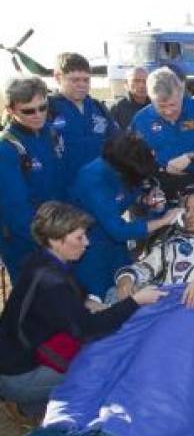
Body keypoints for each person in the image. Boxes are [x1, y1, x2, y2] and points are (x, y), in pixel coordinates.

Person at [0, 202, 165, 422]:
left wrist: (89, 302)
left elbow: (69, 299)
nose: (87, 243)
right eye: (79, 238)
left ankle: (33, 406)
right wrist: (135, 301)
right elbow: (88, 330)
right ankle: (28, 405)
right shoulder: (53, 281)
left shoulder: (41, 261)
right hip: (20, 376)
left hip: (13, 362)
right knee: (109, 371)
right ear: (55, 240)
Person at [70, 133, 180, 297]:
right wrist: (163, 221)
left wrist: (145, 199)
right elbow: (118, 231)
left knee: (127, 284)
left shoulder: (124, 165)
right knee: (99, 298)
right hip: (90, 247)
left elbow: (126, 192)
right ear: (122, 170)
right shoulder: (93, 181)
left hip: (116, 247)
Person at [1, 76, 68, 282]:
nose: (38, 115)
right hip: (25, 241)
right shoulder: (7, 148)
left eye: (43, 107)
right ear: (11, 110)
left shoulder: (51, 134)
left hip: (58, 232)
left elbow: (62, 182)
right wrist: (49, 242)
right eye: (28, 111)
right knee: (32, 300)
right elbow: (16, 211)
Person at [129, 67, 194, 202]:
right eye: (161, 106)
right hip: (157, 192)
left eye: (173, 104)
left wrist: (193, 156)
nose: (168, 111)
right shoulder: (141, 120)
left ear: (181, 93)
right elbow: (129, 159)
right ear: (151, 100)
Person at [48, 52, 119, 179]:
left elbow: (117, 143)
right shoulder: (46, 109)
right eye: (75, 80)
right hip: (63, 190)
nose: (82, 84)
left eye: (86, 79)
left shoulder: (99, 108)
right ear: (58, 77)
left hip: (98, 186)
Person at [108, 67, 151, 131]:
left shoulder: (156, 106)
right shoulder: (117, 108)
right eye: (136, 81)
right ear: (126, 83)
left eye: (145, 81)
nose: (142, 85)